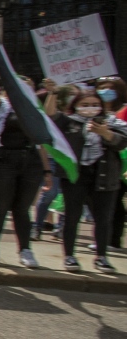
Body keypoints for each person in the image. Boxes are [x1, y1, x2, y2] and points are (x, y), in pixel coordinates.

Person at [0, 57, 48, 268]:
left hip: (30, 161)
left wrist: (47, 170)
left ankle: (25, 250)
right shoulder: (0, 105)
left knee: (22, 209)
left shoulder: (35, 108)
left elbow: (47, 132)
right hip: (1, 160)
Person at [52, 90, 126, 271]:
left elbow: (122, 143)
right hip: (76, 176)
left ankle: (101, 257)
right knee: (72, 217)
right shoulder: (68, 122)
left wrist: (106, 134)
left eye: (94, 104)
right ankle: (69, 255)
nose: (90, 108)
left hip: (104, 175)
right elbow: (51, 118)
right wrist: (53, 93)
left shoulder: (112, 122)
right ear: (75, 105)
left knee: (103, 219)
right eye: (85, 105)